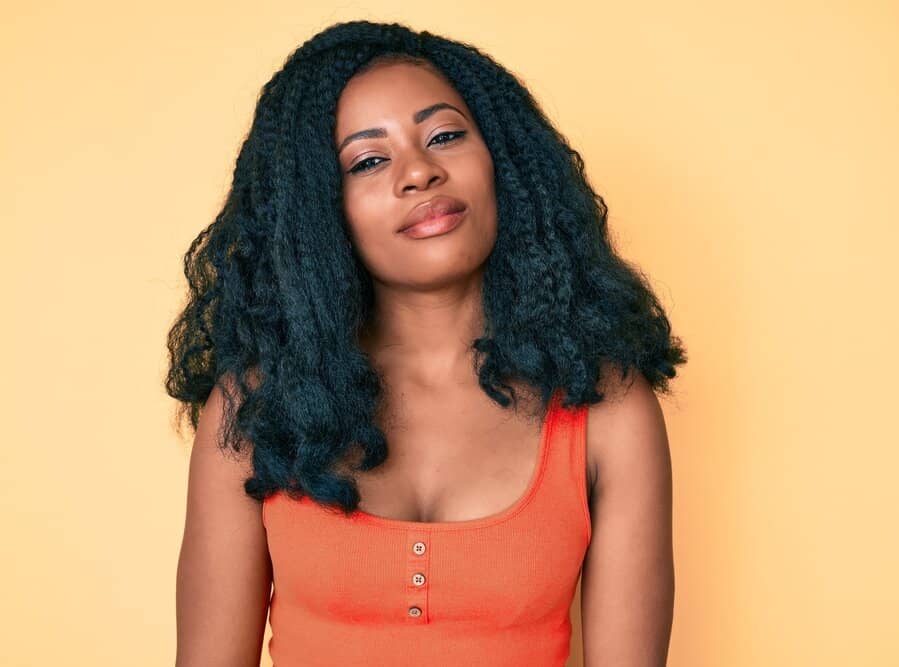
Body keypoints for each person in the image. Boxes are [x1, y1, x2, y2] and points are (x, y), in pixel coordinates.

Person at [169, 19, 687, 667]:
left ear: (505, 161)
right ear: (318, 212)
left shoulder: (608, 406)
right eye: (368, 160)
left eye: (444, 135)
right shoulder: (254, 408)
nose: (419, 171)